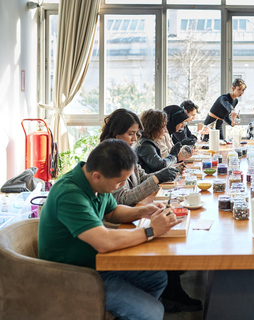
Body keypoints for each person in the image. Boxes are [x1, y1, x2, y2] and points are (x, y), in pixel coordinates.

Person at [38, 139, 182, 320]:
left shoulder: (95, 183)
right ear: (97, 176)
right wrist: (151, 230)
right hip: (74, 274)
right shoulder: (69, 194)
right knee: (153, 312)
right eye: (120, 181)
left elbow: (112, 212)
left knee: (156, 277)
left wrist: (143, 211)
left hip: (99, 262)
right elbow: (104, 242)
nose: (122, 185)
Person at [100, 109, 202, 313]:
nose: (135, 139)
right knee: (165, 235)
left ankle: (158, 299)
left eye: (137, 134)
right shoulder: (106, 158)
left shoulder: (126, 151)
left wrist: (158, 180)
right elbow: (120, 200)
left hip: (127, 219)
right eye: (131, 134)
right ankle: (162, 300)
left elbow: (142, 177)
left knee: (167, 226)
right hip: (117, 231)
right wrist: (157, 180)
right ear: (116, 132)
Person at [135, 109, 184, 174]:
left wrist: (175, 168)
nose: (165, 130)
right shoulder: (145, 144)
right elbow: (160, 166)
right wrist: (173, 155)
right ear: (154, 128)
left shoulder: (148, 141)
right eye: (163, 127)